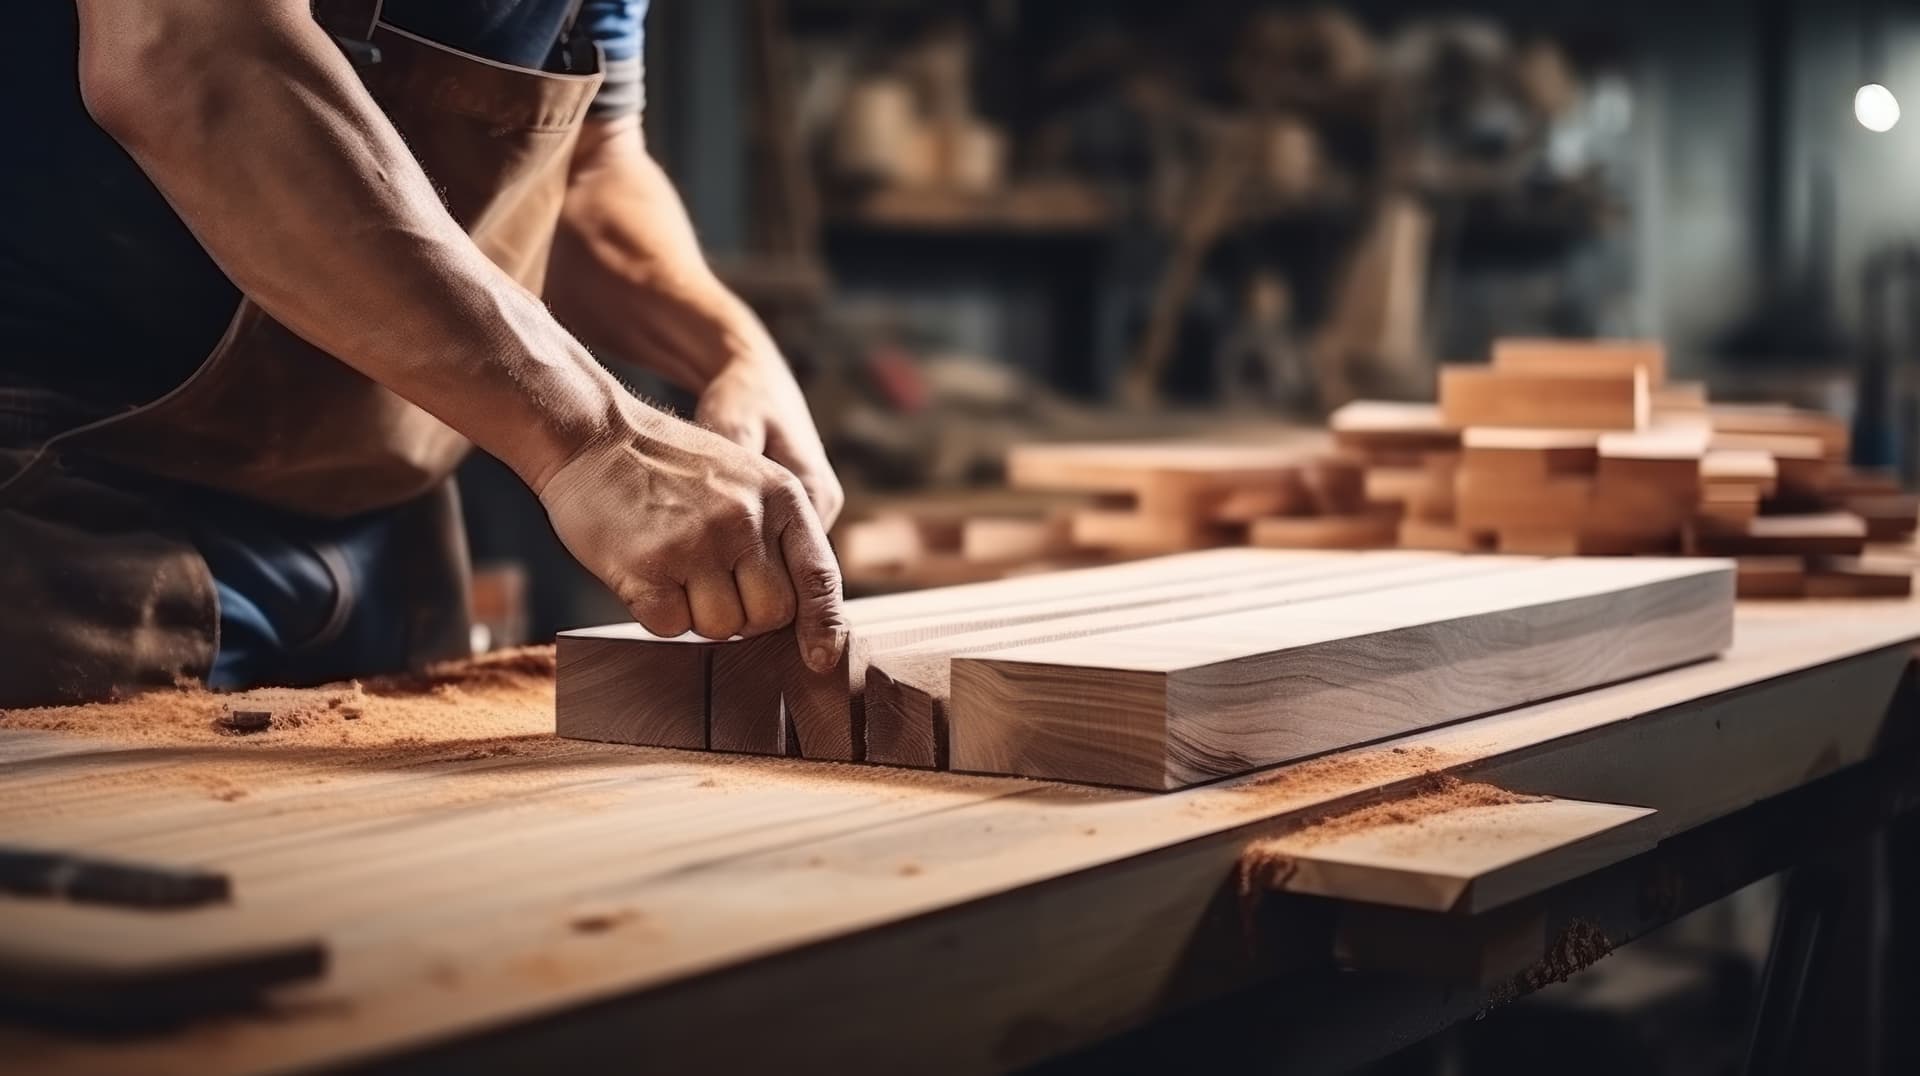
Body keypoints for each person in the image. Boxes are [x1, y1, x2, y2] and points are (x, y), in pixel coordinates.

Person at [0, 1, 847, 706]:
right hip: (74, 489)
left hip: (386, 514)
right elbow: (189, 57)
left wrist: (732, 349)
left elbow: (584, 170)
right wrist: (598, 441)